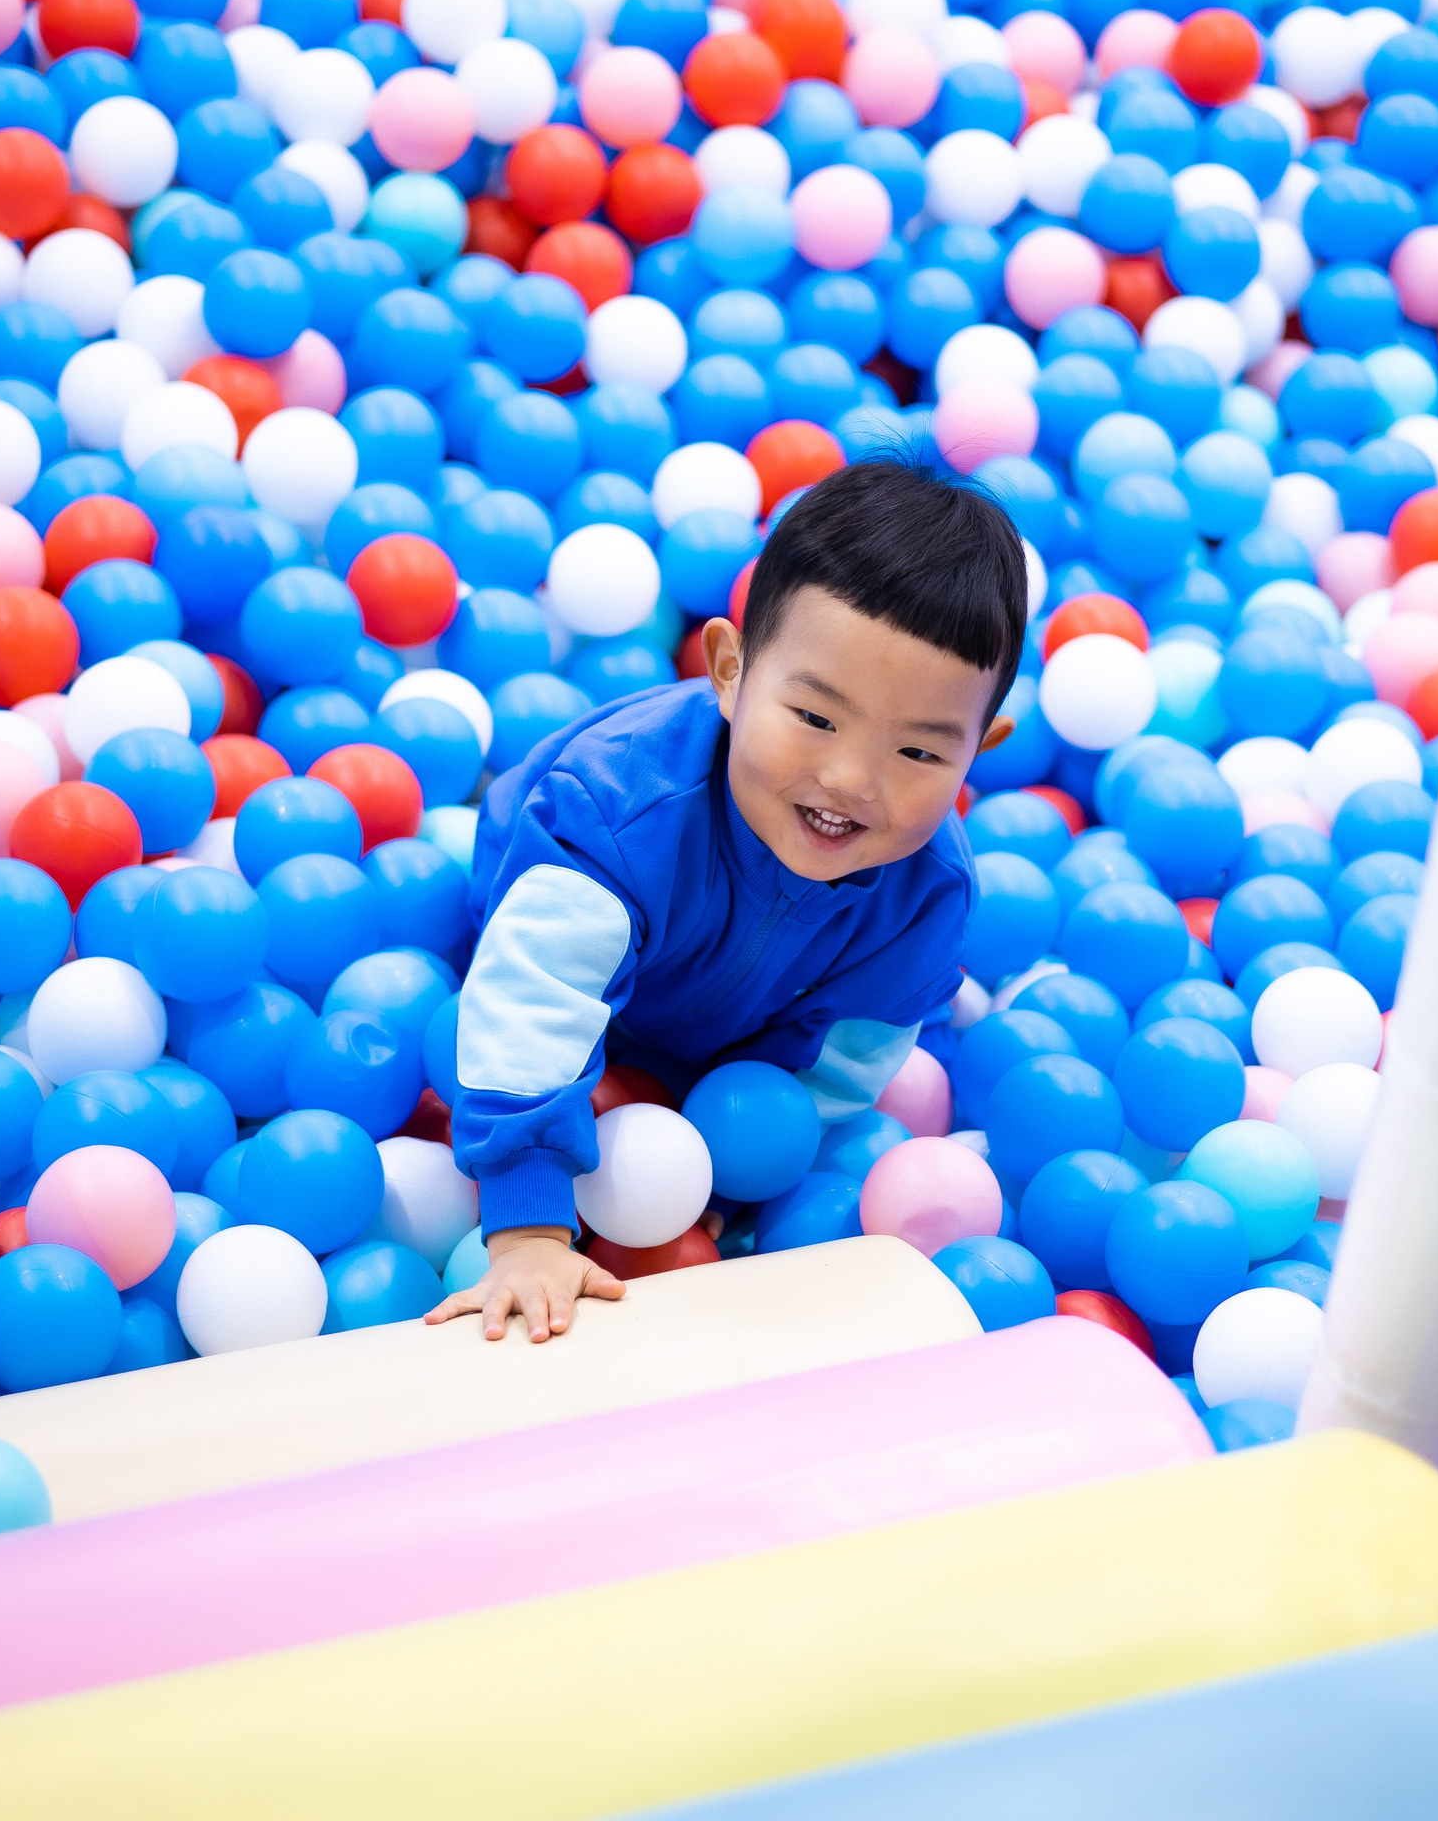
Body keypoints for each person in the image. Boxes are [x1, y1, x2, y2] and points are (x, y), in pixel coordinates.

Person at [425, 458, 1029, 1342]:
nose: (851, 779)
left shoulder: (925, 896)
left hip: (741, 1003)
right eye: (816, 719)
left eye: (921, 755)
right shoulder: (613, 819)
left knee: (904, 1008)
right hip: (557, 927)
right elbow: (531, 1005)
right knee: (524, 986)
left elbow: (844, 1064)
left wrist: (728, 1174)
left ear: (979, 750)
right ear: (728, 670)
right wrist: (529, 1229)